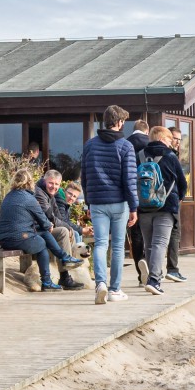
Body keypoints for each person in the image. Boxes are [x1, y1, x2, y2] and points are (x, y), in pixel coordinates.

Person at [81, 105, 138, 304]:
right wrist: (134, 207)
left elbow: (84, 177)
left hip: (97, 202)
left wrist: (88, 200)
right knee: (117, 247)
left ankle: (100, 284)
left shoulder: (89, 145)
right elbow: (130, 179)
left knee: (101, 244)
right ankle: (114, 290)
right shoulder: (125, 146)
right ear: (120, 122)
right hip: (119, 202)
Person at [0, 168, 85, 292]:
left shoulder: (9, 196)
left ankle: (63, 259)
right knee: (41, 244)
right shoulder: (30, 198)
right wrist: (49, 225)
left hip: (3, 238)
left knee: (42, 236)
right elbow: (45, 222)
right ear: (29, 183)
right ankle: (47, 281)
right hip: (18, 237)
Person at [136, 126, 188, 295]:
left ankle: (152, 275)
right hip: (166, 207)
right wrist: (178, 198)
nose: (172, 142)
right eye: (170, 139)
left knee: (150, 244)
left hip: (144, 207)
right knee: (160, 243)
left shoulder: (140, 155)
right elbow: (182, 183)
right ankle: (154, 280)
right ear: (164, 139)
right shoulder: (171, 156)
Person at [32, 169, 86, 290]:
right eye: (51, 183)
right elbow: (51, 216)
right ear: (45, 180)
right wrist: (68, 228)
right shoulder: (39, 193)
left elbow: (58, 216)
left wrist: (69, 228)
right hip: (35, 230)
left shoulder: (50, 194)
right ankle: (65, 273)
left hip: (44, 228)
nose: (54, 186)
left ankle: (66, 272)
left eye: (57, 184)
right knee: (63, 231)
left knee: (67, 230)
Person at [126, 120, 152, 283]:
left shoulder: (125, 143)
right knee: (151, 234)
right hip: (149, 195)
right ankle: (152, 267)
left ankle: (139, 267)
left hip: (130, 195)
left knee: (135, 234)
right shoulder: (151, 144)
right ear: (147, 131)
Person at [164, 126, 187, 282]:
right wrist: (181, 195)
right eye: (174, 138)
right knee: (174, 233)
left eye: (179, 139)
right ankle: (172, 269)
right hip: (169, 200)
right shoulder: (170, 155)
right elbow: (181, 181)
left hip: (151, 202)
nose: (177, 141)